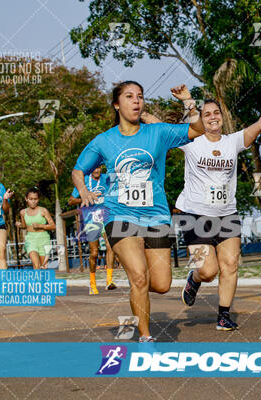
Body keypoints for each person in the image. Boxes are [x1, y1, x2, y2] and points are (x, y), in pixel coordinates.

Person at [72, 81, 205, 342]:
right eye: (130, 96)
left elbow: (198, 129)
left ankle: (138, 289)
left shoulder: (157, 133)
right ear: (117, 104)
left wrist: (188, 102)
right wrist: (84, 191)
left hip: (155, 216)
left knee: (162, 285)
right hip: (120, 215)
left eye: (140, 97)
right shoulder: (104, 141)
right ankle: (145, 338)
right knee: (140, 278)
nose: (136, 101)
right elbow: (78, 170)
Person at [175, 77, 261, 330]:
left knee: (230, 265)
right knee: (208, 271)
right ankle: (194, 279)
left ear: (222, 117)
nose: (212, 117)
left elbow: (260, 124)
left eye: (216, 112)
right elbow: (158, 127)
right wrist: (143, 114)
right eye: (206, 114)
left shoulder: (233, 141)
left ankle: (223, 315)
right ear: (201, 118)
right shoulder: (190, 142)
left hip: (227, 215)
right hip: (195, 216)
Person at [69, 166, 117, 294]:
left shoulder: (107, 178)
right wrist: (87, 197)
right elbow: (71, 200)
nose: (97, 170)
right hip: (91, 219)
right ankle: (92, 283)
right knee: (94, 253)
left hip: (106, 215)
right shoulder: (83, 181)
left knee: (110, 246)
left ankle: (109, 281)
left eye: (99, 167)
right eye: (94, 168)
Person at [15, 188, 56, 269]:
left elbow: (53, 226)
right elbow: (24, 226)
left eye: (35, 199)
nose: (33, 201)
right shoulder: (23, 212)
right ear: (26, 199)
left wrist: (41, 226)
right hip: (30, 239)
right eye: (30, 199)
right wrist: (19, 225)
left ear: (38, 199)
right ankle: (36, 281)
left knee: (44, 266)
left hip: (43, 239)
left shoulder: (43, 210)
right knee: (36, 265)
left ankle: (43, 281)